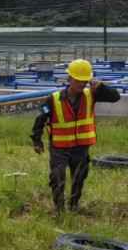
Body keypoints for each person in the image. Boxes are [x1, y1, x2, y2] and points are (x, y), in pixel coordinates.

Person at [31, 59, 121, 215]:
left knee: (79, 177)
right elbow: (40, 119)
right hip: (59, 147)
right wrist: (36, 140)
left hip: (81, 147)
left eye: (84, 81)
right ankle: (59, 210)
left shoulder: (91, 94)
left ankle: (73, 206)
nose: (81, 84)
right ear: (69, 79)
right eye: (78, 80)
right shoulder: (53, 99)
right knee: (57, 177)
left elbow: (115, 97)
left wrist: (101, 87)